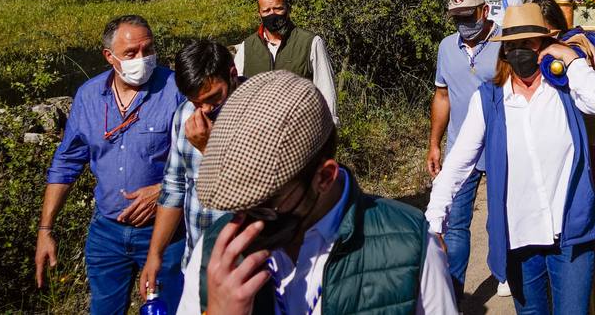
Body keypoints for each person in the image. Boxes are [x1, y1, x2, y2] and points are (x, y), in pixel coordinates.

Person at [179, 70, 457, 314]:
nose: (248, 219)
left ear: (324, 177)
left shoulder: (410, 246)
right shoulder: (211, 257)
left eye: (266, 203)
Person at [426, 4, 595, 314]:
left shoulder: (565, 91)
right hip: (519, 235)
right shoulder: (489, 99)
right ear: (504, 52)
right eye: (513, 45)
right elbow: (458, 163)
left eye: (529, 43)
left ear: (544, 45)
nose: (520, 51)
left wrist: (569, 57)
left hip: (570, 232)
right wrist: (435, 220)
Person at [36, 15, 186, 314]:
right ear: (110, 56)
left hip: (163, 234)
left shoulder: (175, 90)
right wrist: (45, 229)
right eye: (131, 54)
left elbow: (203, 157)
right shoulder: (89, 96)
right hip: (107, 233)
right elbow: (66, 163)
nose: (142, 59)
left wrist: (162, 190)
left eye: (148, 50)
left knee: (165, 309)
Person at [139, 40, 236, 302]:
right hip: (197, 261)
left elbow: (263, 193)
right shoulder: (184, 115)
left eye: (214, 98)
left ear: (232, 74)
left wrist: (208, 148)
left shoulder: (255, 113)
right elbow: (174, 186)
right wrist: (155, 254)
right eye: (196, 101)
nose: (204, 109)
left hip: (245, 265)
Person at [428, 0, 501, 301]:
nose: (462, 24)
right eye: (456, 18)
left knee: (499, 219)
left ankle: (504, 272)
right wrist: (434, 143)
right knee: (455, 224)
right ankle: (453, 294)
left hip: (500, 147)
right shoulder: (447, 47)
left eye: (468, 16)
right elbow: (441, 96)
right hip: (460, 149)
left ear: (484, 12)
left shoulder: (504, 43)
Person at [233, 0, 337, 120]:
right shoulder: (247, 47)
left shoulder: (310, 43)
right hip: (258, 132)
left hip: (299, 129)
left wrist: (329, 130)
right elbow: (236, 95)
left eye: (278, 9)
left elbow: (326, 91)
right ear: (259, 13)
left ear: (288, 9)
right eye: (266, 11)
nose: (272, 14)